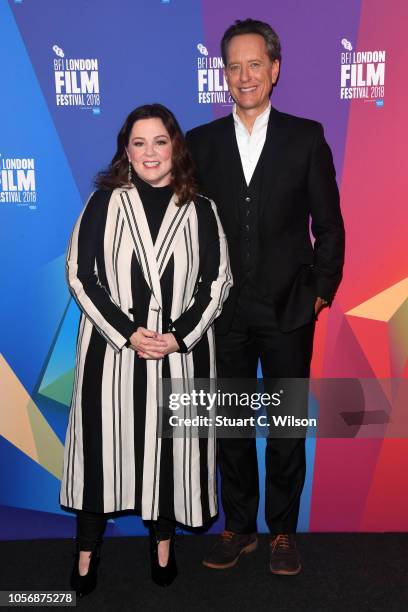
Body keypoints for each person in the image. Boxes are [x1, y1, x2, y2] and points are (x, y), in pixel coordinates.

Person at [186, 19, 345, 575]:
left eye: (255, 64)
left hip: (288, 310)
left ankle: (282, 531)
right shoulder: (200, 143)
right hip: (221, 313)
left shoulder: (306, 136)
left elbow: (329, 224)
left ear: (274, 70)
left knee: (285, 426)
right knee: (228, 424)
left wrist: (320, 291)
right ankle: (239, 527)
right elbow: (185, 226)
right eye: (234, 65)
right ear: (223, 75)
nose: (245, 75)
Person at [59, 103, 232, 595]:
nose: (150, 152)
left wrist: (178, 335)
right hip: (112, 354)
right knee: (100, 455)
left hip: (178, 355)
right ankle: (87, 552)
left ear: (176, 145)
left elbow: (217, 282)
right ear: (126, 151)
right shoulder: (104, 202)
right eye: (139, 142)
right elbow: (79, 273)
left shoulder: (201, 208)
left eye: (160, 141)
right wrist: (128, 331)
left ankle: (163, 542)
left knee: (169, 454)